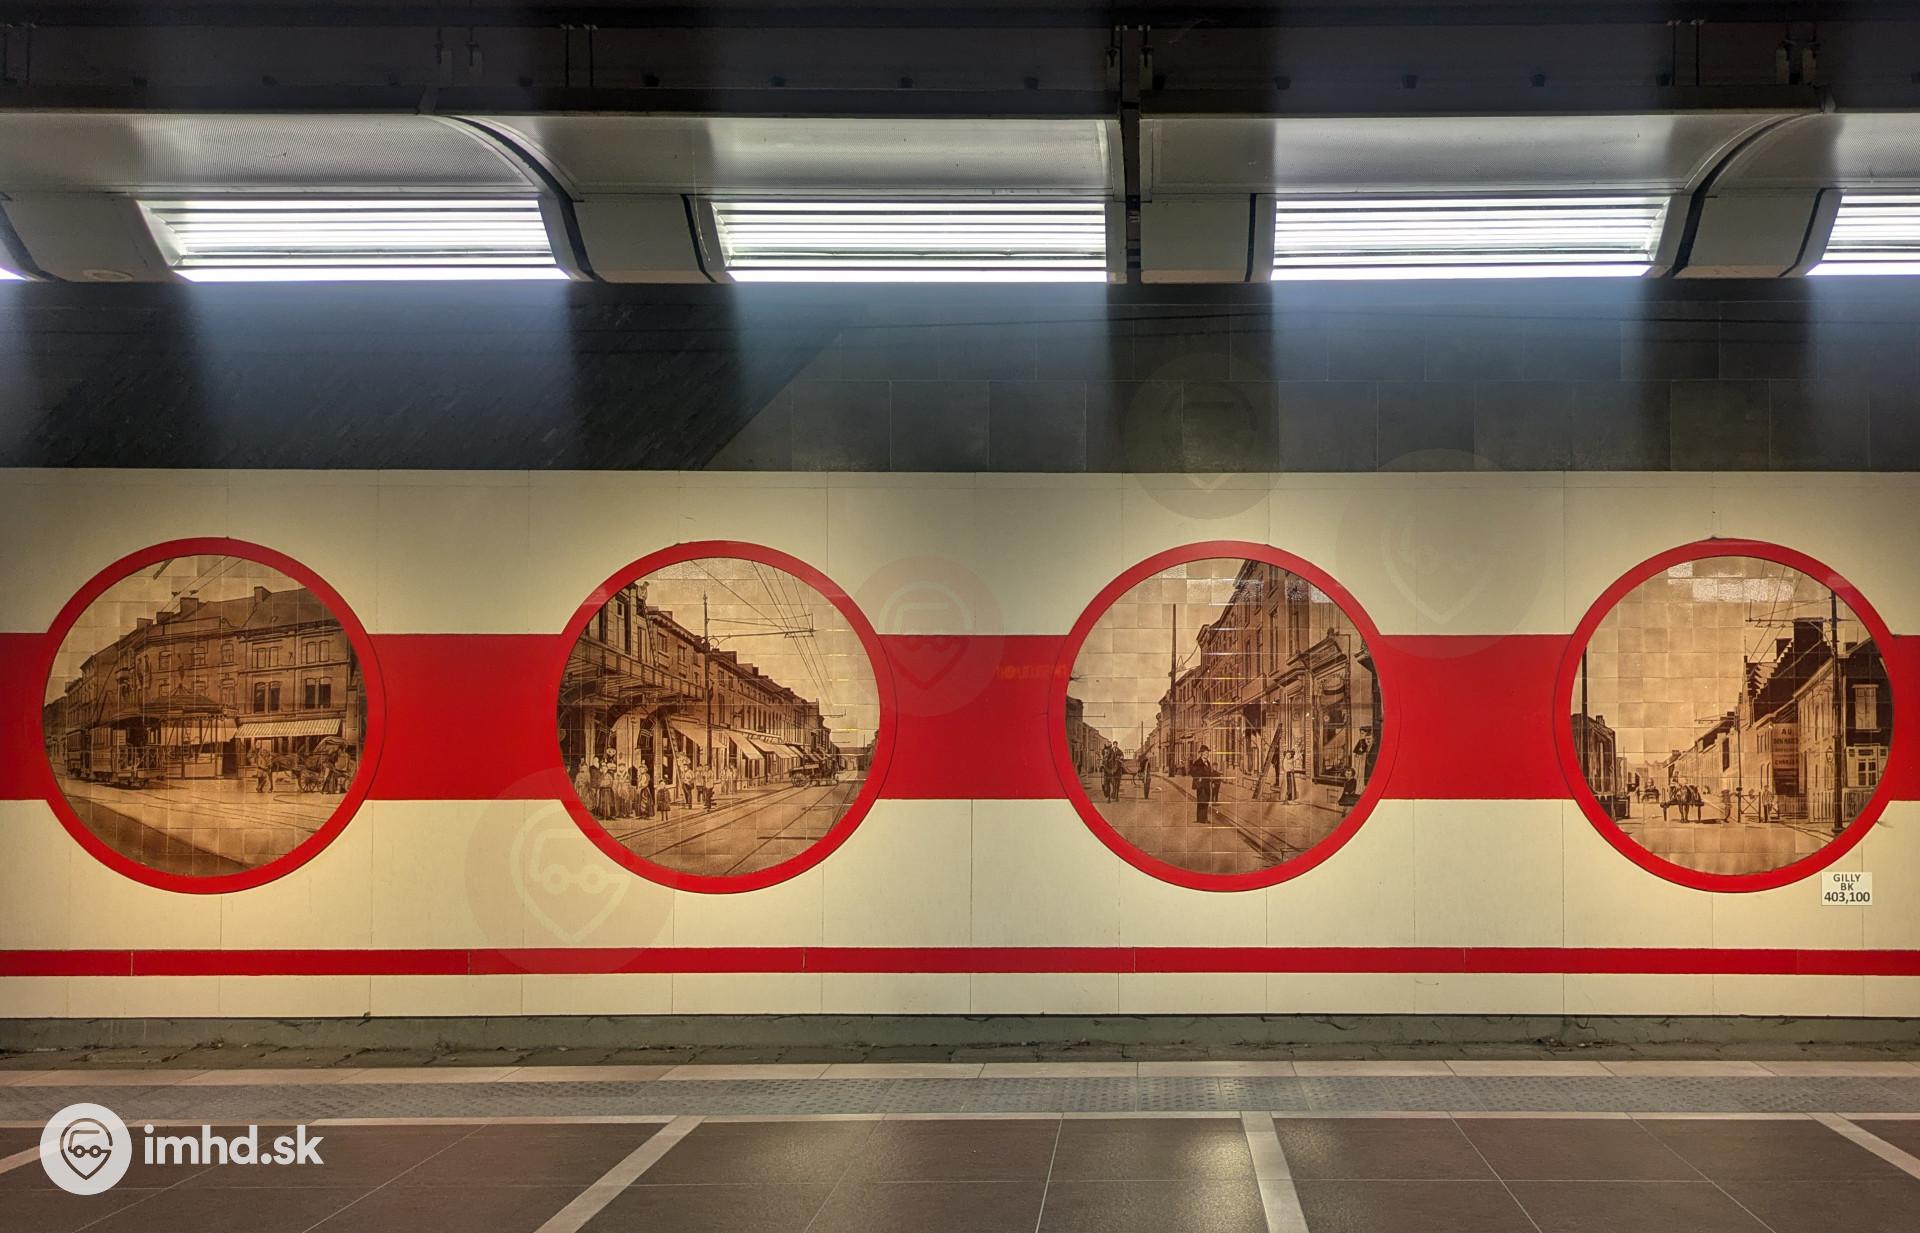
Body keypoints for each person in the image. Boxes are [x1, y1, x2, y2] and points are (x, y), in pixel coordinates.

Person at [1189, 744, 1218, 824]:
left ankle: (1203, 818)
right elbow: (1191, 771)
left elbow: (1210, 773)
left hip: (1207, 785)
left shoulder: (1208, 762)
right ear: (1201, 753)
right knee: (1202, 801)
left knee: (1206, 800)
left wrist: (1212, 782)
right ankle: (1201, 819)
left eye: (1208, 753)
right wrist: (1198, 778)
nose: (1207, 754)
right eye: (1205, 753)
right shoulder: (1198, 762)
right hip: (1201, 785)